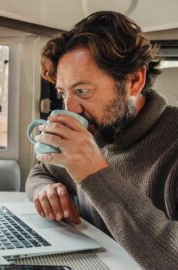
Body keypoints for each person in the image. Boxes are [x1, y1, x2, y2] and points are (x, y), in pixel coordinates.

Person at [26, 11, 178, 270]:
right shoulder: (97, 130)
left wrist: (94, 173)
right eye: (64, 93)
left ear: (133, 81)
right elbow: (40, 171)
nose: (70, 107)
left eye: (83, 91)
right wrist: (45, 190)